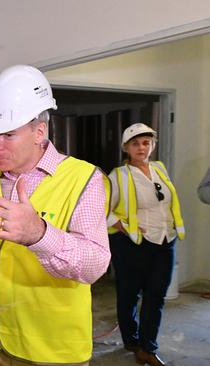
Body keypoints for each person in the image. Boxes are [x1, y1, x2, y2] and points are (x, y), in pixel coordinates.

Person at [0, 65, 110, 366]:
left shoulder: (84, 179)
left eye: (8, 134)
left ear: (39, 131)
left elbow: (95, 265)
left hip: (52, 350)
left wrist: (40, 234)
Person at [107, 123, 185, 366]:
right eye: (135, 143)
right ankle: (131, 340)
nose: (141, 147)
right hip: (133, 244)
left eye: (146, 142)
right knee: (129, 295)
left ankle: (148, 348)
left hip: (165, 240)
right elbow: (101, 210)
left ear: (152, 145)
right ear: (126, 148)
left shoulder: (160, 169)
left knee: (156, 296)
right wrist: (123, 226)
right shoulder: (118, 176)